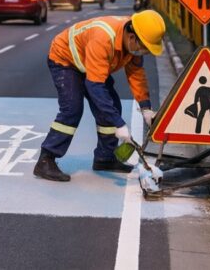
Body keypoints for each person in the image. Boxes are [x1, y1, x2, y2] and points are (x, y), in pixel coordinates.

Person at [33, 11, 167, 182]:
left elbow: (136, 75)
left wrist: (146, 108)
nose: (145, 53)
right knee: (72, 109)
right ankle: (46, 160)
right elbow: (95, 86)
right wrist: (119, 124)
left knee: (112, 106)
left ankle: (105, 158)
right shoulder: (103, 38)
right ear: (132, 37)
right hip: (65, 60)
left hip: (91, 64)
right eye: (145, 48)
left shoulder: (133, 41)